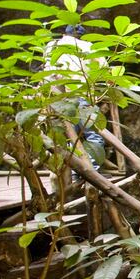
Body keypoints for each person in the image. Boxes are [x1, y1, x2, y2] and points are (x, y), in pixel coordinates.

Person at [46, 25, 105, 172]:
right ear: (81, 36)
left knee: (69, 136)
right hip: (81, 95)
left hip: (59, 99)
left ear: (63, 34)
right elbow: (104, 68)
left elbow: (47, 70)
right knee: (92, 135)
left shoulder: (52, 46)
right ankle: (92, 171)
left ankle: (76, 172)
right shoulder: (88, 46)